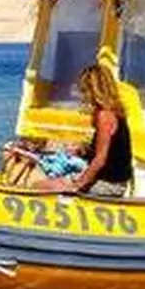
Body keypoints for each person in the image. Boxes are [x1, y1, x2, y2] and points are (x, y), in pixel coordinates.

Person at [38, 64, 133, 197]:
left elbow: (100, 159)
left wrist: (77, 185)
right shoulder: (115, 111)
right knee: (56, 179)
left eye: (84, 89)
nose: (83, 94)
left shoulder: (104, 115)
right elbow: (111, 149)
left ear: (93, 89)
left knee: (41, 185)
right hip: (114, 179)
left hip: (110, 184)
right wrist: (82, 150)